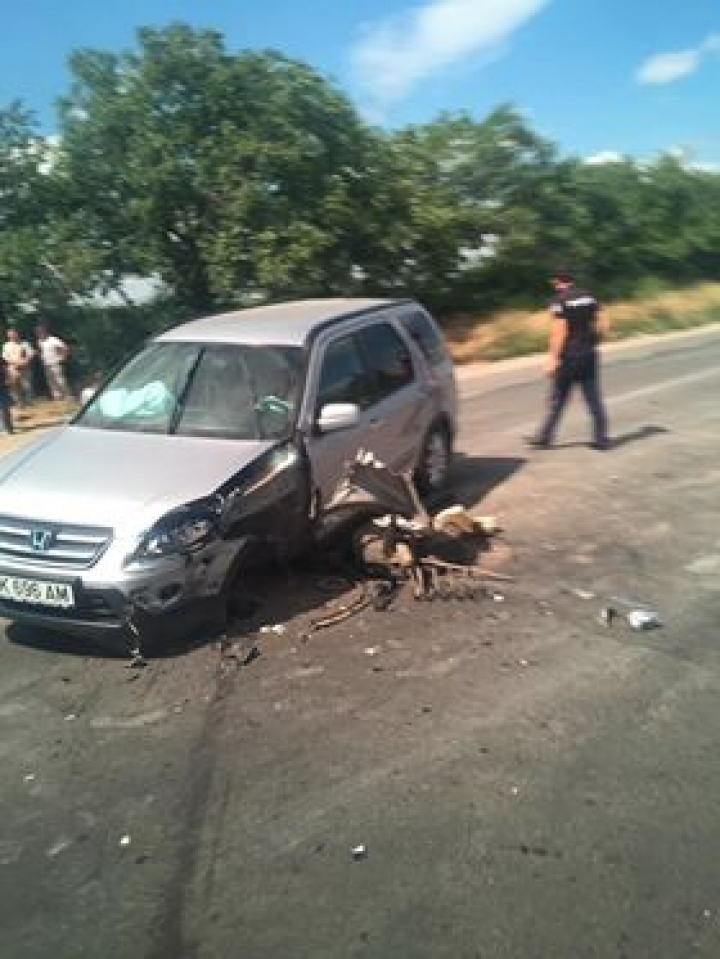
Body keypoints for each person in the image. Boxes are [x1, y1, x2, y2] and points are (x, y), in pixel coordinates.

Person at [527, 268, 610, 450]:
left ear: (557, 281)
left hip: (569, 356)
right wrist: (596, 339)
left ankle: (544, 437)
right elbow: (604, 320)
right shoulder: (588, 295)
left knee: (558, 399)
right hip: (588, 353)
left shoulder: (558, 301)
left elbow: (559, 331)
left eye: (554, 282)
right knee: (593, 397)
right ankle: (602, 438)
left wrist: (553, 358)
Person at [2, 327, 35, 407]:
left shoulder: (24, 343)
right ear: (8, 335)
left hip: (25, 368)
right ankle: (19, 403)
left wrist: (25, 362)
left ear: (17, 333)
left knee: (27, 386)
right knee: (14, 387)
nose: (12, 335)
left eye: (13, 333)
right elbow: (5, 358)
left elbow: (31, 354)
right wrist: (14, 363)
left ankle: (29, 402)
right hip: (12, 369)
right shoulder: (6, 346)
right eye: (10, 334)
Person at [35, 323, 69, 400]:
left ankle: (67, 395)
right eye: (38, 333)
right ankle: (57, 397)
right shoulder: (39, 341)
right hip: (46, 364)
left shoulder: (53, 339)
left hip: (55, 363)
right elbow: (41, 352)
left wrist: (63, 357)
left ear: (45, 331)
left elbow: (64, 347)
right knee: (51, 382)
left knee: (60, 380)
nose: (39, 334)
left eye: (40, 332)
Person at [0, 356, 14, 434]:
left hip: (2, 384)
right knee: (4, 407)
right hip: (3, 384)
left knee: (4, 407)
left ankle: (8, 428)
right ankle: (7, 428)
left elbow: (5, 367)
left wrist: (8, 378)